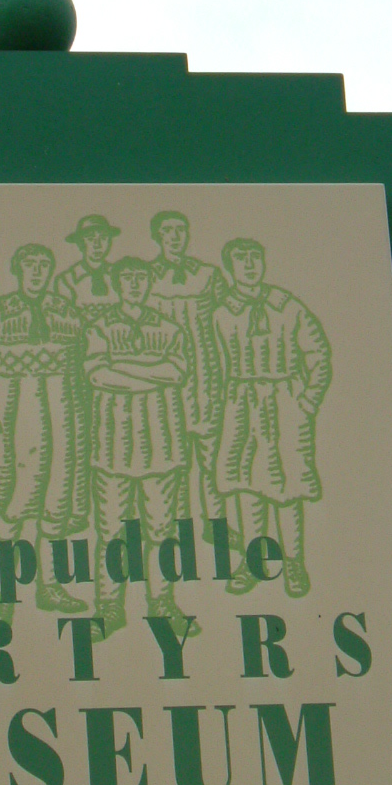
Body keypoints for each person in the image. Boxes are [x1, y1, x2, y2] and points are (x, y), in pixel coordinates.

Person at [0, 243, 89, 618]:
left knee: (55, 507)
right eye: (29, 265)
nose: (36, 272)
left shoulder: (68, 314)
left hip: (62, 423)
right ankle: (2, 595)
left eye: (43, 265)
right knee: (7, 509)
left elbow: (86, 363)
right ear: (18, 270)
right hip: (13, 425)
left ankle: (49, 587)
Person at [213, 237, 332, 598]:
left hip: (283, 404)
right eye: (240, 259)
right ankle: (255, 563)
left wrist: (307, 402)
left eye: (254, 257)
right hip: (240, 405)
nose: (249, 265)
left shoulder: (288, 307)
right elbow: (215, 364)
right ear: (229, 266)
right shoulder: (222, 312)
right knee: (247, 486)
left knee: (287, 489)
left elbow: (318, 354)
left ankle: (293, 564)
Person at [85, 256, 192, 635]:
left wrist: (125, 367)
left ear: (149, 282)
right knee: (111, 531)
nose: (134, 284)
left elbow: (177, 372)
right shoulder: (99, 326)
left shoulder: (168, 327)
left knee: (162, 531)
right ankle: (110, 608)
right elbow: (97, 374)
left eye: (140, 277)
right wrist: (152, 372)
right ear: (115, 283)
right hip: (113, 445)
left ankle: (162, 604)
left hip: (161, 443)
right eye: (127, 278)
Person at [147, 210, 228, 540]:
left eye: (181, 230)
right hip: (167, 384)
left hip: (206, 377)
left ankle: (216, 527)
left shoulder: (209, 275)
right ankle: (178, 529)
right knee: (174, 461)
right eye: (168, 231)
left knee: (212, 459)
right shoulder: (146, 277)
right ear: (158, 236)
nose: (175, 236)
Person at [55, 213, 122, 320]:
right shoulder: (67, 280)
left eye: (103, 238)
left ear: (109, 242)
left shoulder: (120, 275)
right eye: (90, 239)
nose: (97, 244)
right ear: (80, 243)